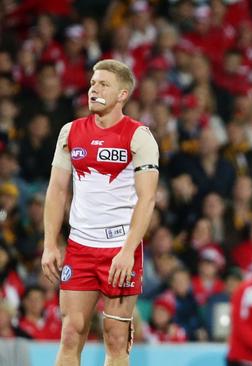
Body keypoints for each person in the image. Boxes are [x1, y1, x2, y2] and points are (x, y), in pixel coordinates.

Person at [40, 59, 159, 366]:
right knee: (70, 332)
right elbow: (56, 190)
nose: (94, 89)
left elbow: (147, 200)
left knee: (116, 339)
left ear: (122, 95)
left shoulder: (139, 136)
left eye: (104, 84)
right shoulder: (70, 132)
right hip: (80, 247)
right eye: (93, 83)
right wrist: (50, 243)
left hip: (120, 250)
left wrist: (128, 251)